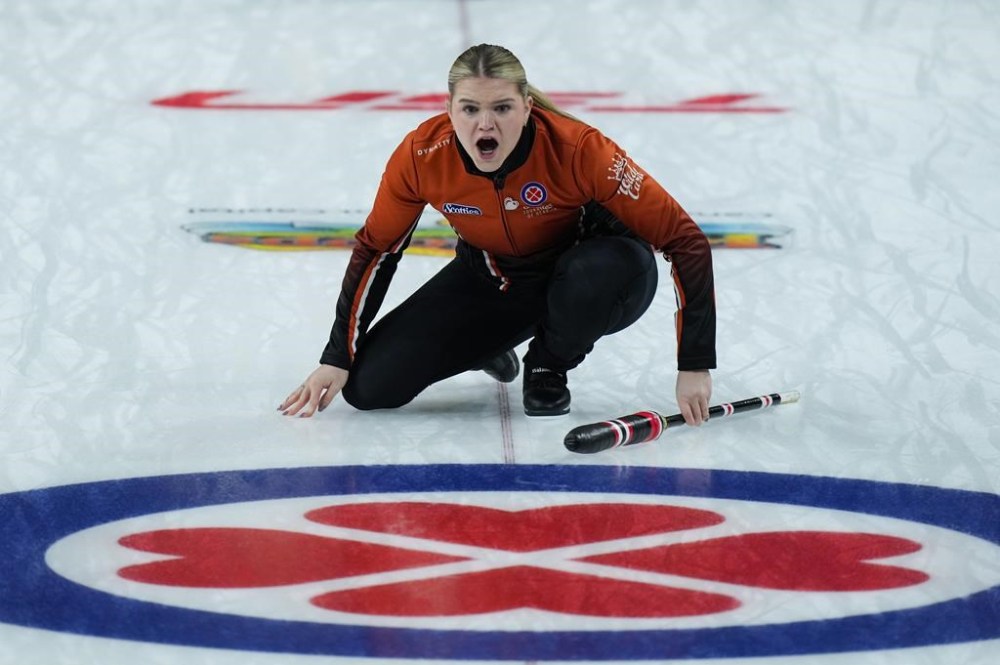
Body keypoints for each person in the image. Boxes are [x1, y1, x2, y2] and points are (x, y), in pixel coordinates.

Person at [280, 43, 715, 424]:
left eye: (502, 108)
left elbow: (685, 240)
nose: (485, 125)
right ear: (449, 110)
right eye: (470, 109)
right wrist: (337, 355)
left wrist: (693, 363)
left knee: (593, 272)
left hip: (596, 278)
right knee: (369, 389)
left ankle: (548, 365)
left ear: (527, 107)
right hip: (496, 278)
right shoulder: (421, 157)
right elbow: (376, 249)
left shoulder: (579, 149)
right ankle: (486, 345)